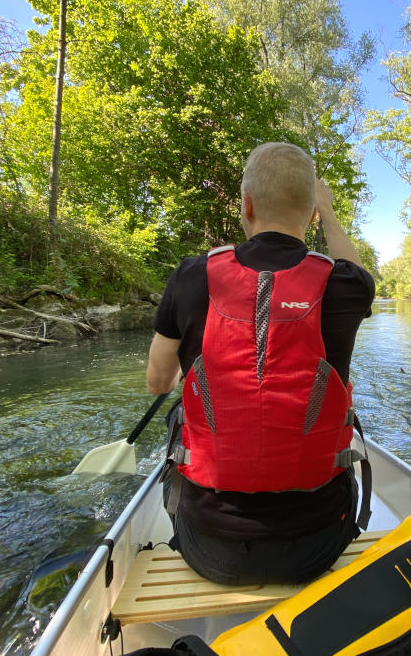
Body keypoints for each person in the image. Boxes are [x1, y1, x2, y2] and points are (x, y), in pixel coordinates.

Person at [146, 142, 375, 585]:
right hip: (320, 542)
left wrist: (191, 373)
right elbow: (355, 265)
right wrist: (327, 209)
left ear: (246, 204)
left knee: (180, 409)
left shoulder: (191, 275)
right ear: (311, 216)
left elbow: (158, 382)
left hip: (210, 549)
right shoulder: (347, 284)